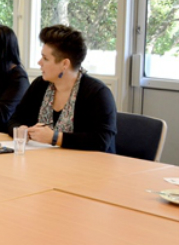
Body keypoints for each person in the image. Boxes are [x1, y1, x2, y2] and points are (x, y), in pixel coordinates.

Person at [7, 25, 117, 153]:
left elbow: (101, 141)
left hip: (89, 167)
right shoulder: (40, 85)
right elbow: (14, 120)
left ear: (65, 64)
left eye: (45, 58)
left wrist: (55, 138)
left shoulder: (97, 93)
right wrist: (21, 129)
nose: (39, 62)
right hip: (45, 161)